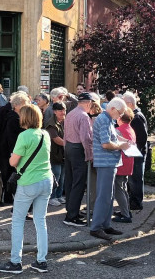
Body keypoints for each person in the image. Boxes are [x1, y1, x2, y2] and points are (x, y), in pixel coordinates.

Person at [0, 104, 53, 274]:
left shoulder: (24, 135)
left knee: (18, 221)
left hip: (28, 182)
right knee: (40, 221)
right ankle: (41, 261)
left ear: (24, 118)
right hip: (46, 180)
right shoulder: (45, 134)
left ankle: (15, 262)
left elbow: (13, 162)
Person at [89, 98, 131, 241]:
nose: (120, 116)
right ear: (113, 109)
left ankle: (105, 225)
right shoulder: (104, 119)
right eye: (119, 113)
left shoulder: (107, 119)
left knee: (109, 195)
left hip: (109, 162)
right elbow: (105, 144)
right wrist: (121, 146)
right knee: (104, 196)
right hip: (105, 162)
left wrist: (122, 141)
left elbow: (111, 138)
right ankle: (96, 227)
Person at [62, 93, 94, 227]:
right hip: (78, 149)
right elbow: (86, 139)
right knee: (78, 183)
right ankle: (72, 216)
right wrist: (89, 155)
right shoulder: (83, 116)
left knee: (70, 181)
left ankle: (71, 210)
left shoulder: (70, 113)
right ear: (88, 103)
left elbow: (65, 133)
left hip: (69, 147)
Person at [0, 92, 30, 204]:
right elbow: (11, 137)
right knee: (10, 174)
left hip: (11, 150)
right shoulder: (13, 118)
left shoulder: (16, 117)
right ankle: (9, 197)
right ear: (16, 105)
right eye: (23, 104)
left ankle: (9, 197)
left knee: (10, 174)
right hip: (10, 151)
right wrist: (13, 152)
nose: (25, 106)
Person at [123, 91, 148, 211]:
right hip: (135, 152)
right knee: (133, 179)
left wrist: (134, 150)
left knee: (136, 179)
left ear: (129, 103)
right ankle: (133, 201)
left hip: (137, 154)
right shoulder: (136, 115)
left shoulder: (137, 117)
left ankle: (136, 203)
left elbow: (142, 138)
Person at [113, 111, 136, 223]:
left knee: (118, 188)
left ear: (120, 119)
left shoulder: (119, 130)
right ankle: (126, 210)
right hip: (129, 161)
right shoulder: (130, 129)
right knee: (123, 187)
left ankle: (125, 214)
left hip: (121, 161)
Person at [45, 102, 66, 206]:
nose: (63, 112)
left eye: (64, 110)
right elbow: (56, 139)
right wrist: (69, 144)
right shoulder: (51, 124)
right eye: (60, 110)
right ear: (54, 111)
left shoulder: (64, 121)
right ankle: (51, 197)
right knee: (55, 176)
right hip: (54, 155)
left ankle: (59, 195)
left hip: (63, 155)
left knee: (62, 177)